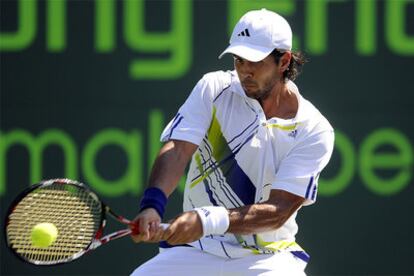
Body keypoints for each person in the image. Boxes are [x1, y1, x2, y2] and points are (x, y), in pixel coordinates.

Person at [130, 8, 334, 276]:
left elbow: (278, 210)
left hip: (267, 259)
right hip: (196, 251)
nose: (244, 70)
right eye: (239, 60)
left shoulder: (314, 129)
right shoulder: (213, 88)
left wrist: (207, 221)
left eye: (255, 61)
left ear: (284, 61)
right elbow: (178, 150)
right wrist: (152, 205)